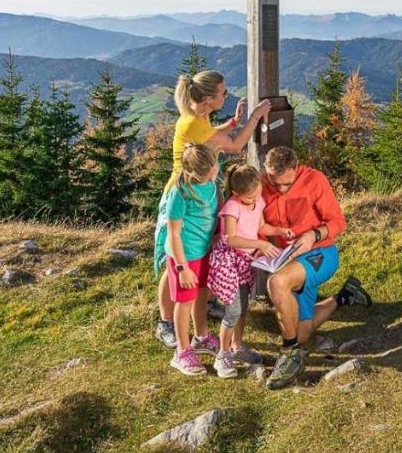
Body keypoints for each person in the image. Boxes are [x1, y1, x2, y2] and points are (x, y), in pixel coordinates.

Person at [154, 70, 271, 353]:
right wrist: (254, 118)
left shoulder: (198, 116)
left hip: (201, 194)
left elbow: (213, 136)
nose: (226, 96)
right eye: (224, 93)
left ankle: (191, 317)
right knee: (175, 263)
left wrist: (232, 121)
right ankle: (166, 323)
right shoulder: (194, 123)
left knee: (196, 256)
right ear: (208, 98)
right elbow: (232, 145)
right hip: (185, 197)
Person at [259, 146, 372, 389]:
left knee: (277, 283)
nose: (279, 189)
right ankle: (346, 295)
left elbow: (338, 222)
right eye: (273, 182)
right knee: (303, 333)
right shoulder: (260, 185)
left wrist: (313, 234)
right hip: (288, 260)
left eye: (285, 184)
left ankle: (290, 354)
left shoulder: (314, 180)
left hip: (321, 252)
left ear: (295, 169)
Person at [206, 164, 294, 378]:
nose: (255, 200)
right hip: (229, 262)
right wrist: (261, 244)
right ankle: (222, 354)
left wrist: (279, 230)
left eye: (257, 194)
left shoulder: (257, 199)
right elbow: (231, 238)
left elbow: (261, 226)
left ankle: (237, 346)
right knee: (234, 310)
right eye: (249, 198)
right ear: (236, 193)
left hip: (246, 261)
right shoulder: (232, 207)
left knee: (244, 306)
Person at [153, 142, 220, 376]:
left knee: (201, 293)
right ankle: (181, 351)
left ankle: (201, 337)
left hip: (203, 251)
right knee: (185, 300)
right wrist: (182, 268)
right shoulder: (180, 193)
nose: (216, 169)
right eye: (212, 166)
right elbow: (173, 234)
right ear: (199, 171)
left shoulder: (211, 184)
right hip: (184, 256)